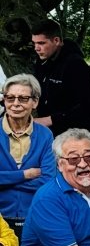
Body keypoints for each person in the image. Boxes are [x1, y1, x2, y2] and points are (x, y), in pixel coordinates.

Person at [31, 20, 90, 143]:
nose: (36, 48)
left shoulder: (75, 64)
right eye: (34, 43)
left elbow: (89, 106)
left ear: (56, 41)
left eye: (41, 43)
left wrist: (49, 120)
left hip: (75, 139)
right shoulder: (42, 61)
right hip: (48, 136)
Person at [1, 74, 56, 219]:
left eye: (23, 98)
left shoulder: (45, 135)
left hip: (35, 216)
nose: (16, 103)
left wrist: (5, 182)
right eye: (10, 98)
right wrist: (25, 175)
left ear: (35, 102)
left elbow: (48, 180)